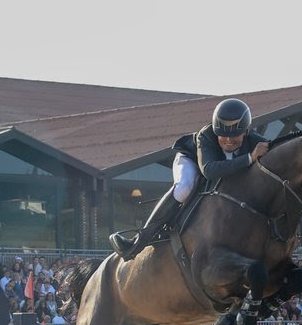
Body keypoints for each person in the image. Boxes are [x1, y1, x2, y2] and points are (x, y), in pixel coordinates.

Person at [110, 98, 270, 260]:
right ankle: (138, 241)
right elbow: (209, 170)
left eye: (234, 134)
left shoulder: (257, 141)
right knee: (184, 188)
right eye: (222, 135)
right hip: (192, 161)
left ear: (246, 131)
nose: (228, 140)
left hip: (221, 169)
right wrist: (250, 158)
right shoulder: (205, 136)